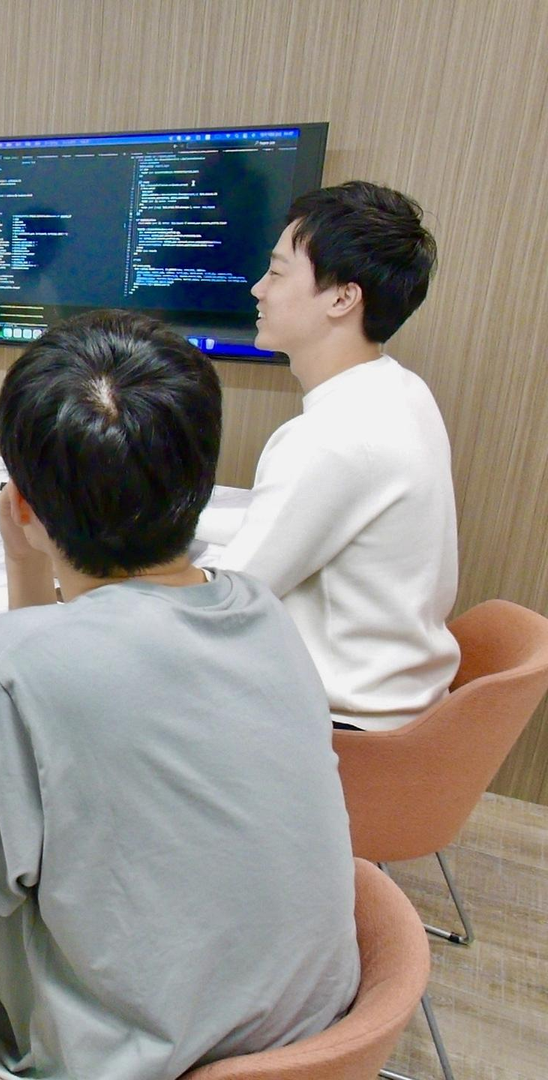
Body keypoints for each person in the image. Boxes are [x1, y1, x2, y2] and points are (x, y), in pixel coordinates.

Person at [0, 311, 359, 1080]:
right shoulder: (263, 611)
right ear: (201, 482)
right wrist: (29, 567)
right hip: (307, 1050)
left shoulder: (15, 666)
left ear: (21, 505)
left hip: (125, 1063)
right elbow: (68, 666)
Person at [214, 181, 458, 730]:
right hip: (399, 697)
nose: (258, 289)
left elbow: (227, 603)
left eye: (276, 273)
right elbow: (281, 524)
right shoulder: (400, 390)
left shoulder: (331, 437)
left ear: (343, 298)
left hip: (339, 725)